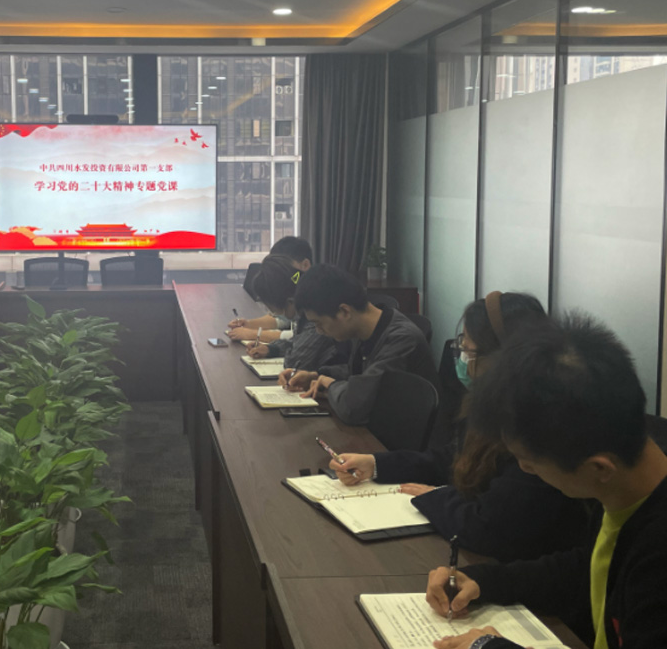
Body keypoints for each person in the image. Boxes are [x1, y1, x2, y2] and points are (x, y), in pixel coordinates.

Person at [423, 315, 667, 649]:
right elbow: (588, 567)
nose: (525, 469)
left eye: (531, 462)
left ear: (599, 468)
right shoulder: (625, 487)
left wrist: (487, 646)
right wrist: (484, 581)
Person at [328, 292, 591, 562]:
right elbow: (451, 459)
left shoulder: (535, 426)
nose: (462, 357)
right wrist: (376, 464)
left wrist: (438, 498)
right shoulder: (489, 402)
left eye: (468, 349)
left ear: (503, 356)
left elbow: (490, 528)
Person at [281, 264, 438, 425]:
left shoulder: (401, 339)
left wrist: (331, 385)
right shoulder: (365, 329)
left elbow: (352, 408)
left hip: (394, 435)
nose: (319, 331)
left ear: (344, 312)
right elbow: (359, 372)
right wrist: (315, 376)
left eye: (319, 323)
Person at [241, 254, 341, 372]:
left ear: (290, 302)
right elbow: (298, 342)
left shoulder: (315, 318)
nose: (273, 314)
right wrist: (271, 349)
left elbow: (295, 362)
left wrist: (290, 351)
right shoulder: (304, 312)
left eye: (274, 310)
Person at [227, 236, 313, 344]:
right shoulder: (293, 288)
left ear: (305, 265)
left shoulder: (314, 292)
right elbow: (283, 318)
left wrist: (254, 334)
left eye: (282, 266)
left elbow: (303, 336)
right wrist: (249, 324)